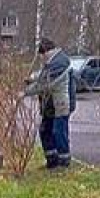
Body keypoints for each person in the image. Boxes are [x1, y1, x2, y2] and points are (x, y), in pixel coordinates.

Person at [25, 38, 76, 170]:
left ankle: (63, 162)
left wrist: (27, 91)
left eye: (41, 56)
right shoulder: (53, 61)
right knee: (45, 131)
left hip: (61, 105)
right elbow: (43, 75)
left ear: (45, 52)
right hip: (51, 105)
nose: (41, 59)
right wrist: (32, 77)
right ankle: (52, 160)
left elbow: (46, 83)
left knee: (58, 132)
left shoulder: (59, 63)